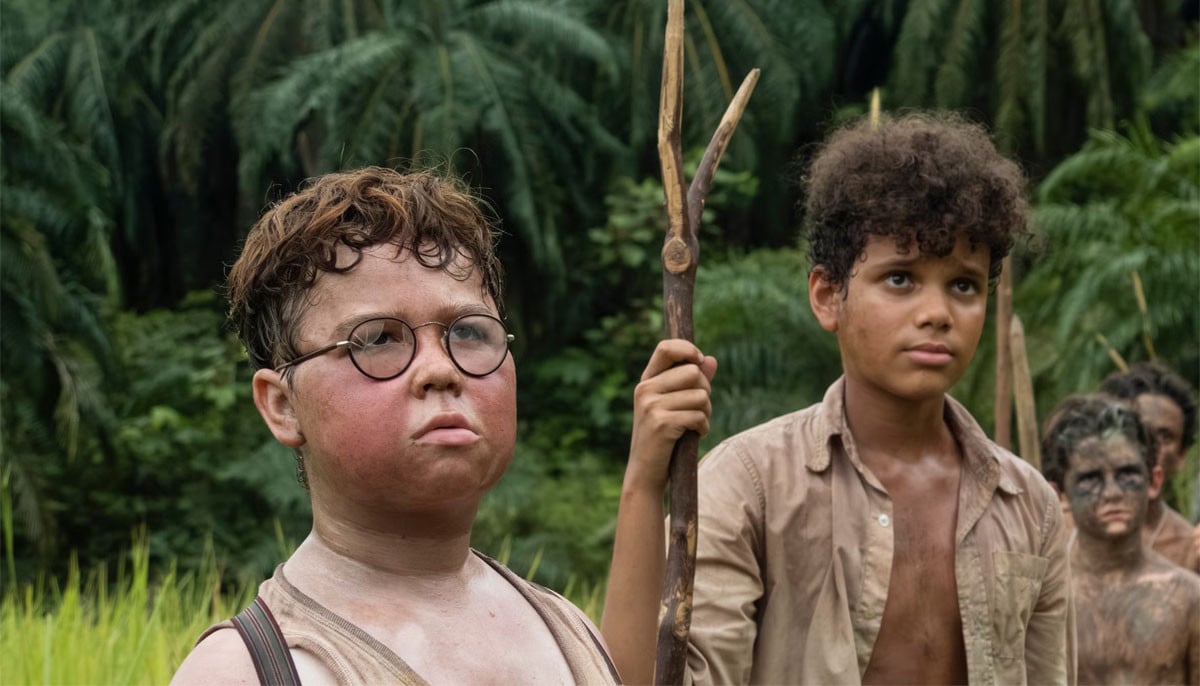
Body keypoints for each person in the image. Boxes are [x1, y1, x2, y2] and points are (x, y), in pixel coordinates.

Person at [170, 167, 716, 684]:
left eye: (469, 332)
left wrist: (647, 479)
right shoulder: (250, 671)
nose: (440, 369)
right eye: (378, 339)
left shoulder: (564, 628)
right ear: (281, 405)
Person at [602, 112, 1074, 685]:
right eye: (900, 278)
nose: (937, 313)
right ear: (828, 296)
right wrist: (643, 482)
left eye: (963, 285)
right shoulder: (752, 488)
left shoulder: (1028, 506)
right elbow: (652, 679)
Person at [1040, 393, 1200, 685]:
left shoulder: (1189, 598)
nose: (1112, 493)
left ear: (1154, 481)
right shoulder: (1043, 596)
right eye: (1090, 479)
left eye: (1127, 474)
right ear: (1059, 493)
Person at [1101, 362, 1199, 572]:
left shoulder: (1190, 550)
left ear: (1181, 456)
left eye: (1165, 437)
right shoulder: (1062, 527)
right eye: (1138, 430)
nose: (1150, 447)